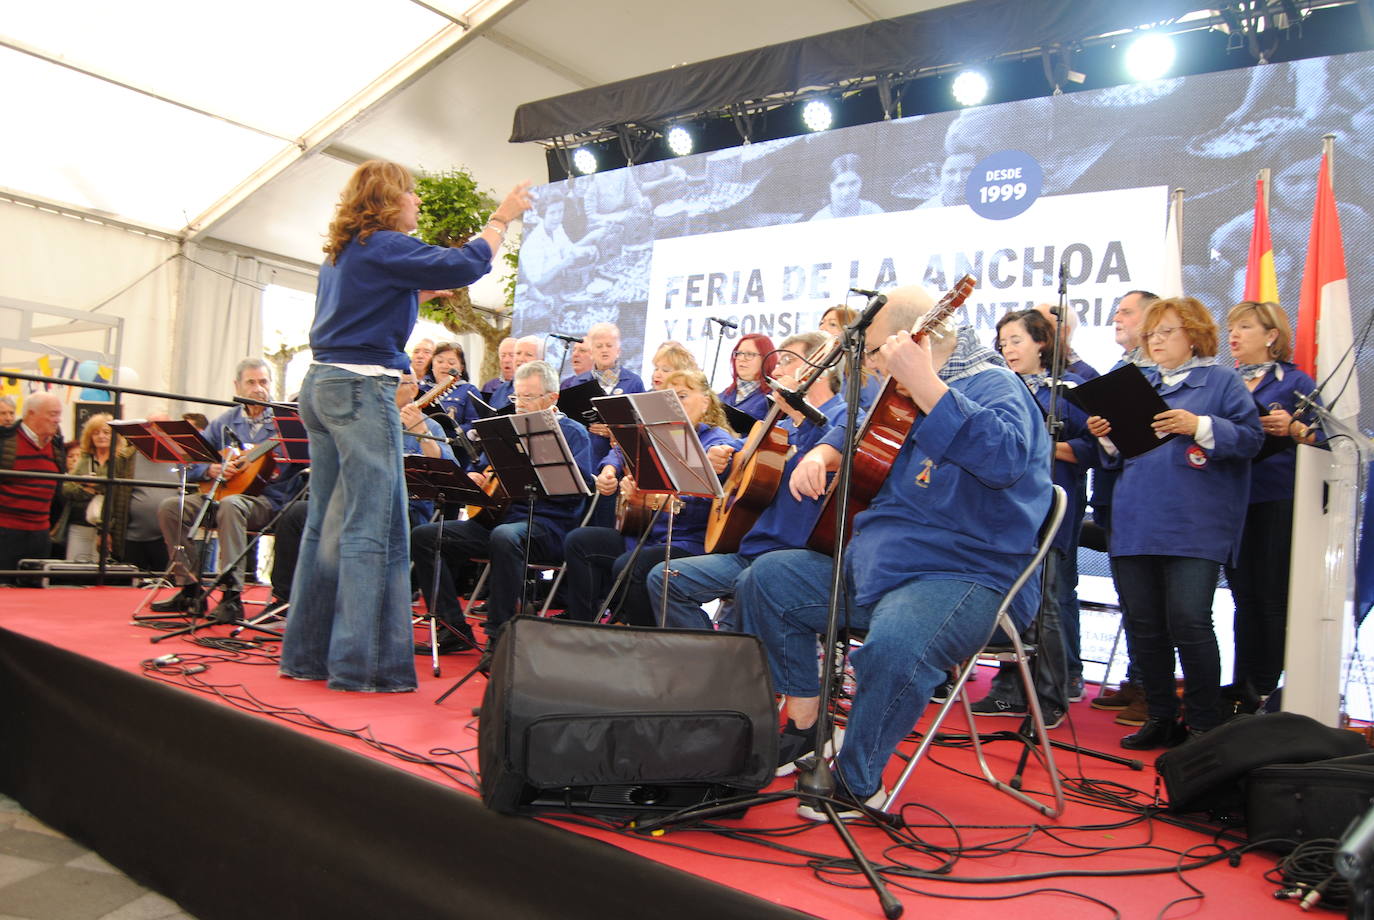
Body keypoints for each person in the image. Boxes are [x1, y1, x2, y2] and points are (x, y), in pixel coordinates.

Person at [737, 286, 1052, 815]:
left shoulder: (996, 384)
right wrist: (824, 448)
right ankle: (809, 728)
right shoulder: (894, 393)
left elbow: (1004, 460)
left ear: (914, 344)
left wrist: (926, 383)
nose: (873, 367)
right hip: (883, 570)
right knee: (767, 580)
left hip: (967, 574)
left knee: (894, 643)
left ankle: (859, 783)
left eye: (879, 353)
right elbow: (853, 421)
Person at [278, 159, 530, 693]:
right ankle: (363, 666)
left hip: (321, 388)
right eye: (411, 193)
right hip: (359, 392)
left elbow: (361, 310)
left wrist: (416, 296)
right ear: (389, 199)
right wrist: (501, 219)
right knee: (377, 527)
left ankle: (309, 654)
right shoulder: (387, 244)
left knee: (326, 525)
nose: (417, 201)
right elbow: (466, 264)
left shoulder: (345, 253)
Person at [1088, 296, 1263, 749]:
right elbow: (1120, 458)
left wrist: (1198, 424)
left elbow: (1251, 439)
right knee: (1144, 623)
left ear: (1194, 334)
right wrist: (1108, 440)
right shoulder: (1137, 383)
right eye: (1151, 334)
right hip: (1135, 520)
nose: (1156, 341)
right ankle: (1161, 716)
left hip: (1194, 524)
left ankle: (1204, 723)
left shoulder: (1220, 381)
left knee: (1189, 620)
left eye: (1166, 332)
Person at [644, 331, 849, 631]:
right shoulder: (778, 426)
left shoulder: (844, 419)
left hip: (794, 560)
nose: (775, 371)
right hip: (751, 552)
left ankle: (731, 660)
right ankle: (713, 659)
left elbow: (831, 451)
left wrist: (800, 413)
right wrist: (723, 457)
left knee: (751, 589)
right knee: (664, 579)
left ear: (817, 371)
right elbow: (743, 455)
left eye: (787, 362)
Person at [410, 360, 591, 667]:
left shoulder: (574, 433)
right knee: (427, 535)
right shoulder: (504, 429)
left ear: (552, 399)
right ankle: (452, 626)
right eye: (517, 397)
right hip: (499, 519)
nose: (519, 404)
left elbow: (580, 488)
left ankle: (500, 636)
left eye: (528, 398)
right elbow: (480, 470)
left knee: (506, 536)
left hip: (549, 525)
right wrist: (477, 477)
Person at [970, 310, 1095, 727]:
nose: (1007, 348)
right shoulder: (997, 390)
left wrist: (1044, 446)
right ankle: (1007, 689)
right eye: (1002, 341)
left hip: (1049, 510)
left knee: (1049, 605)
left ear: (1041, 343)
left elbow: (1094, 450)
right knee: (1008, 602)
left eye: (1017, 340)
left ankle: (1050, 695)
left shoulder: (1070, 391)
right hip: (1004, 514)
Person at [561, 370, 739, 627]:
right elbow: (621, 452)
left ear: (706, 402)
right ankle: (584, 627)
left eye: (683, 395)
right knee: (580, 541)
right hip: (646, 535)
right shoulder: (661, 435)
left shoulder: (715, 439)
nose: (675, 403)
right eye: (668, 398)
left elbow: (729, 458)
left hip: (687, 542)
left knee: (631, 565)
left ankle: (640, 636)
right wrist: (609, 473)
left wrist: (647, 500)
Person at [151, 360, 304, 622]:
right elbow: (190, 458)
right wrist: (209, 470)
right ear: (237, 386)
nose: (258, 389)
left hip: (268, 503)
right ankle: (189, 590)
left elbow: (308, 459)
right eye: (251, 382)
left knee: (232, 505)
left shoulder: (286, 422)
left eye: (264, 382)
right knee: (171, 508)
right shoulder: (225, 422)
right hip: (222, 496)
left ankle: (231, 596)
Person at [1224, 301, 1319, 705]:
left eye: (1245, 327)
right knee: (1242, 596)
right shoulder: (1223, 382)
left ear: (1271, 336)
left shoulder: (1297, 383)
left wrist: (1296, 427)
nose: (1234, 335)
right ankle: (1241, 682)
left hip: (1276, 497)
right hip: (1230, 499)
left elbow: (1330, 440)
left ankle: (1266, 686)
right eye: (1232, 328)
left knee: (1270, 595)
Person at [1087, 289, 1158, 724]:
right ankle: (1137, 677)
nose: (1117, 317)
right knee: (1132, 598)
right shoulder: (1118, 370)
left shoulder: (1158, 372)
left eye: (1126, 311)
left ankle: (1154, 690)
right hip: (1114, 494)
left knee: (1152, 600)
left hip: (1150, 498)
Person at [563, 322, 645, 527]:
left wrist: (613, 431)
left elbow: (641, 428)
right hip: (585, 459)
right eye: (599, 346)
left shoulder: (634, 382)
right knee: (580, 520)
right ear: (591, 350)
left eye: (609, 345)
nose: (604, 350)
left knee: (605, 519)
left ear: (619, 349)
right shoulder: (576, 383)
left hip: (615, 464)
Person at [0, 392, 65, 582]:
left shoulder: (56, 445)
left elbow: (57, 489)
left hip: (40, 534)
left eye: (59, 414)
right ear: (31, 414)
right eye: (52, 414)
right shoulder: (5, 441)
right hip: (6, 532)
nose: (57, 420)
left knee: (34, 593)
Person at [60, 413, 114, 563]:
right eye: (96, 433)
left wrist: (91, 483)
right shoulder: (84, 459)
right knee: (73, 570)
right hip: (78, 523)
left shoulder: (120, 459)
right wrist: (88, 489)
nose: (101, 436)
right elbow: (67, 488)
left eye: (106, 432)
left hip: (106, 526)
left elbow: (117, 490)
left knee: (99, 571)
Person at [718, 333, 777, 421]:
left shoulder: (775, 398)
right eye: (739, 353)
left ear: (766, 359)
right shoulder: (722, 396)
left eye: (749, 354)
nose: (742, 358)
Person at [810, 154, 884, 221]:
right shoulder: (819, 219)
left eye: (853, 183)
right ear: (829, 186)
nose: (847, 192)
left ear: (861, 182)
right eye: (840, 185)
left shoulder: (874, 211)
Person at [427, 341, 484, 427]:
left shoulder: (469, 391)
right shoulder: (421, 388)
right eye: (440, 361)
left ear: (461, 368)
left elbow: (475, 424)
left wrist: (453, 430)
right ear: (432, 365)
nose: (445, 366)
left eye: (451, 363)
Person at [481, 337, 518, 408]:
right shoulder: (489, 386)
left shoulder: (524, 386)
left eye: (511, 355)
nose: (506, 360)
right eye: (503, 356)